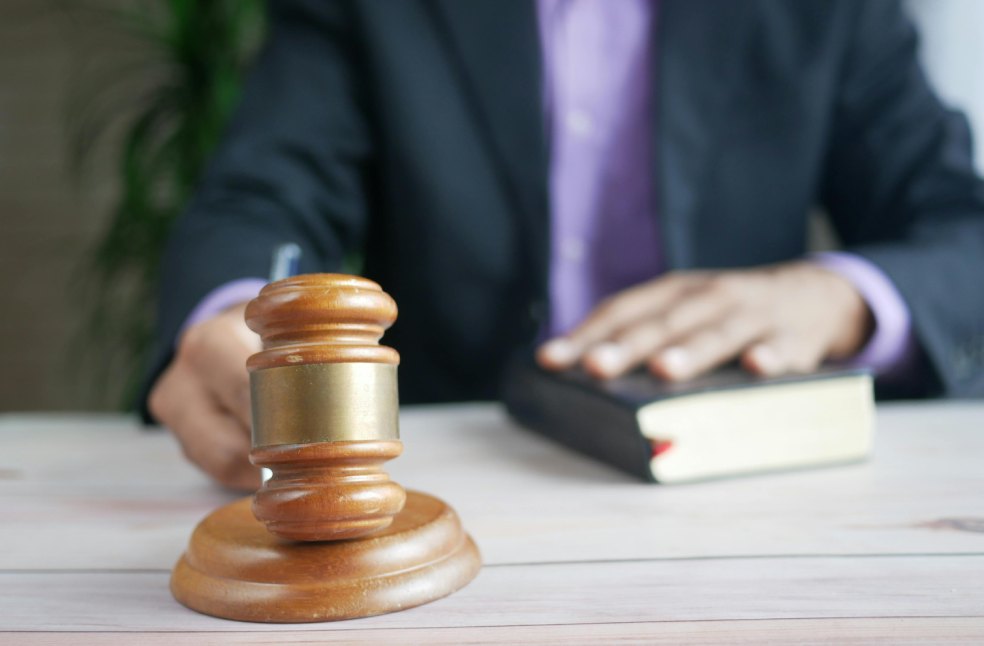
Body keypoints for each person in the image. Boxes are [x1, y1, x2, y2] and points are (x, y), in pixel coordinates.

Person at [145, 0, 984, 490]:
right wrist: (234, 321)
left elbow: (960, 228)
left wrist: (840, 298)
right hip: (450, 471)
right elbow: (260, 197)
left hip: (749, 488)